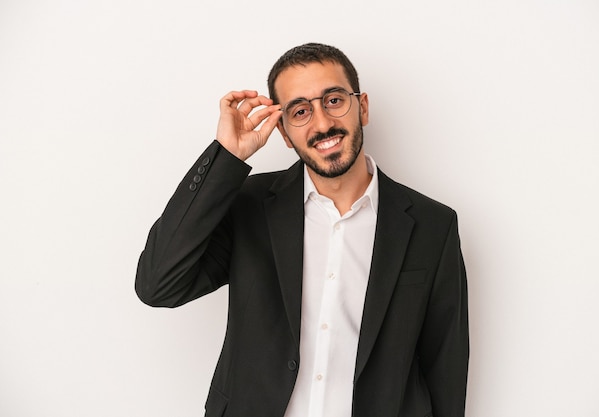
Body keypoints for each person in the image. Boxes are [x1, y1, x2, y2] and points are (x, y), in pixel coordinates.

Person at [135, 42, 469, 417]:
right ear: (283, 132)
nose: (322, 124)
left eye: (333, 100)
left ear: (363, 107)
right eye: (300, 111)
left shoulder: (433, 225)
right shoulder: (249, 206)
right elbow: (157, 286)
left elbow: (445, 366)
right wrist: (225, 157)